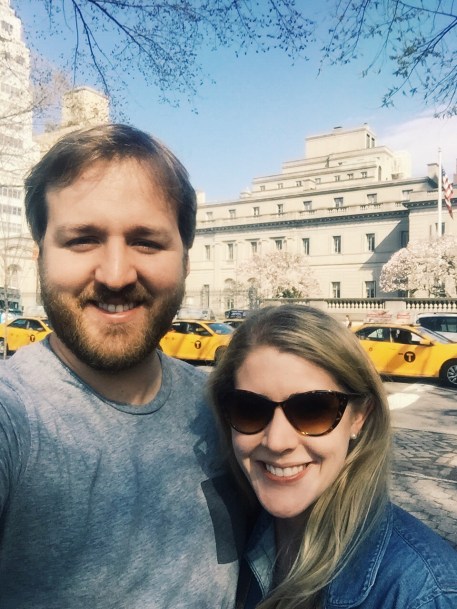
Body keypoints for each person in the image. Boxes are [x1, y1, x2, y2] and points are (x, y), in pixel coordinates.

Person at [0, 124, 245, 608]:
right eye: (83, 239)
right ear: (40, 258)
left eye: (146, 242)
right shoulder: (13, 417)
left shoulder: (225, 410)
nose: (115, 275)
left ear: (185, 262)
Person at [209, 305, 457, 609]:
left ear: (359, 417)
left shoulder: (421, 592)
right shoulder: (241, 530)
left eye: (312, 409)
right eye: (249, 409)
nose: (277, 441)